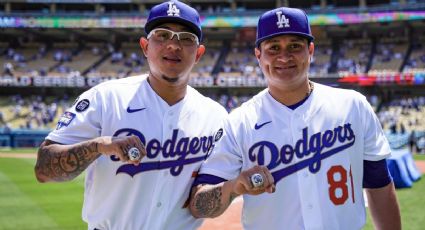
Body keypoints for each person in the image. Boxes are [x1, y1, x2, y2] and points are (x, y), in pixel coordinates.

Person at [189, 7, 401, 230]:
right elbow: (198, 205)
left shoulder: (353, 106)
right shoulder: (238, 122)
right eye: (273, 48)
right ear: (258, 55)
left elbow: (379, 185)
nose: (284, 56)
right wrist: (234, 186)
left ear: (310, 50)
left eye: (294, 46)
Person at [34, 1, 227, 229]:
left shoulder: (215, 116)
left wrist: (235, 187)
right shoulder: (105, 99)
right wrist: (98, 146)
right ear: (145, 47)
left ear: (198, 53)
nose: (174, 45)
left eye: (186, 38)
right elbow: (44, 170)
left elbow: (202, 202)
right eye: (162, 35)